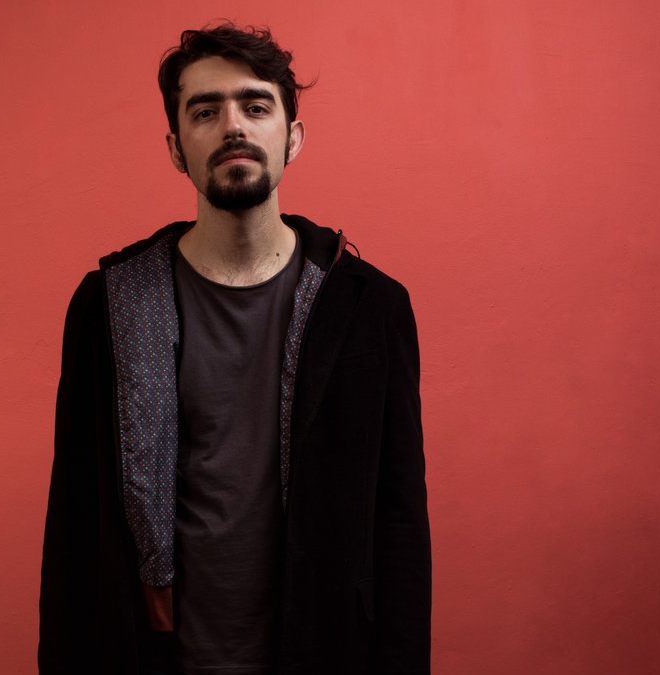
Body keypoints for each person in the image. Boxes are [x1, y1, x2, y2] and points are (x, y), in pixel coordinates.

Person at [39, 22, 430, 675]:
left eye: (255, 106)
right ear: (175, 148)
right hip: (157, 656)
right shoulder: (109, 305)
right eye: (205, 111)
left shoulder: (370, 307)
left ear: (292, 137)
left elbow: (400, 523)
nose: (233, 127)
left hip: (325, 652)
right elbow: (73, 526)